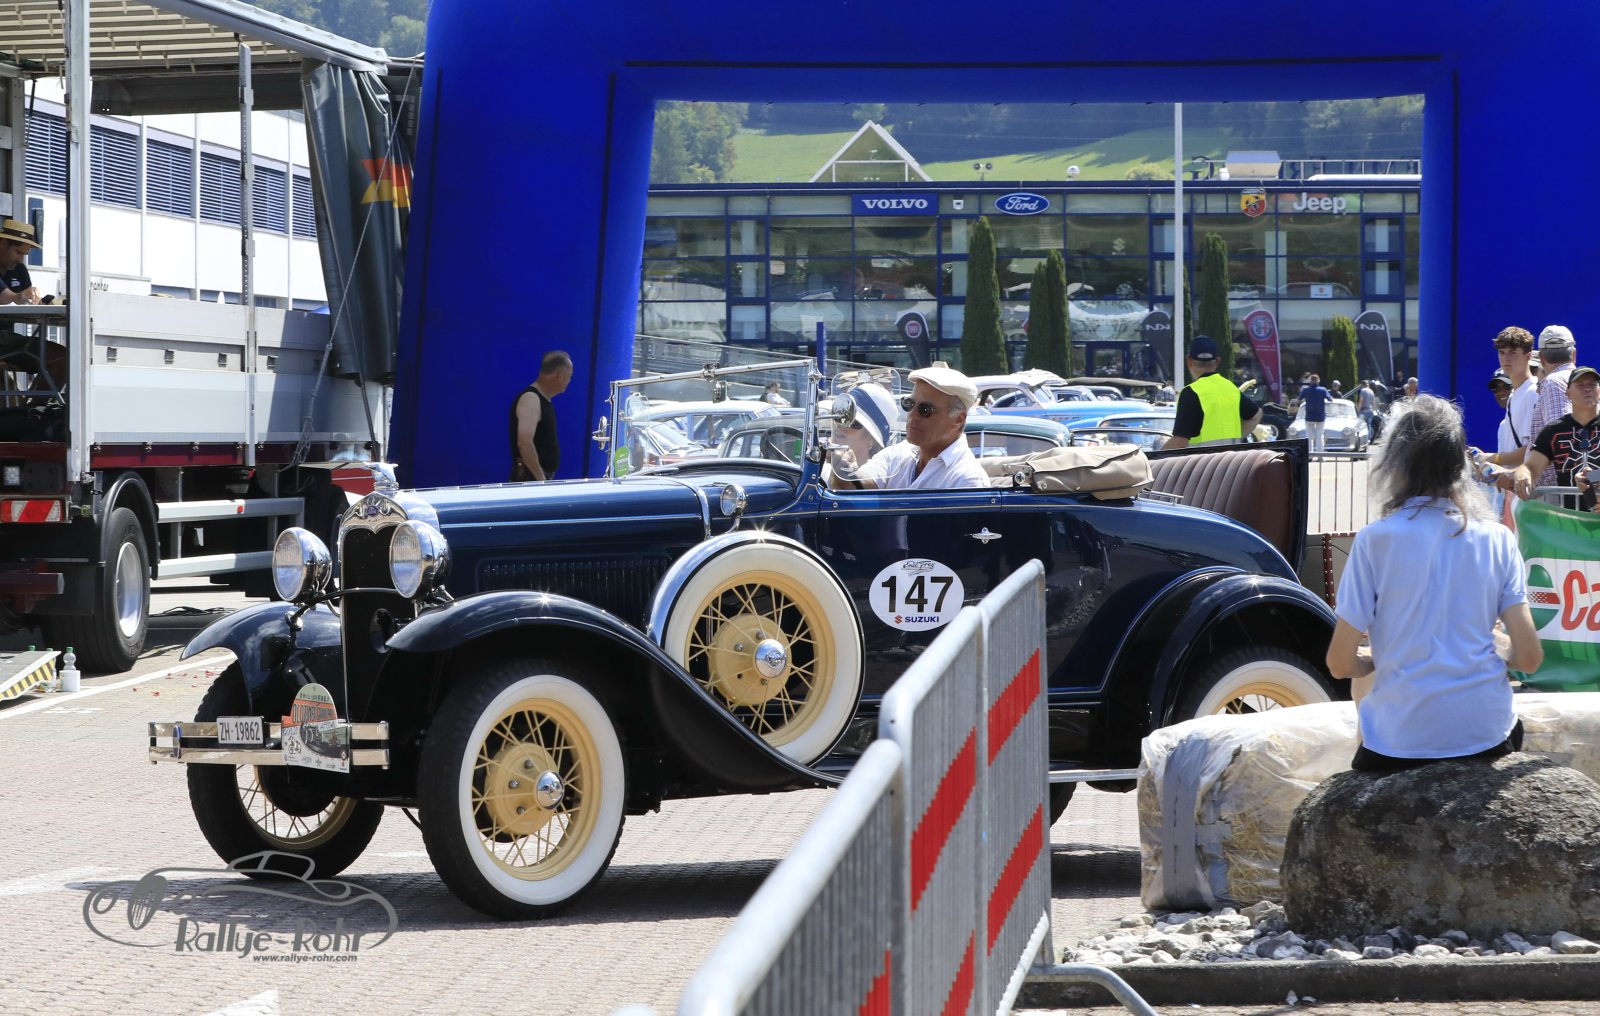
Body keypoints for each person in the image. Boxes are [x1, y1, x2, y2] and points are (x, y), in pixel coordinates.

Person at [1326, 395, 1542, 772]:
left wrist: (1370, 662)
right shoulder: (1498, 538)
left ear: (1396, 464)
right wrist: (1500, 650)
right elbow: (1530, 658)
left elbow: (1339, 663)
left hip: (1396, 742)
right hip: (1486, 734)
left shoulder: (1375, 539)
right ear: (1459, 464)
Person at [831, 365, 987, 490]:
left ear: (958, 420)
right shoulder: (898, 454)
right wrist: (843, 469)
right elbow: (857, 486)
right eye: (909, 404)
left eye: (925, 409)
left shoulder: (967, 479)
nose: (912, 414)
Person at [1512, 365, 1600, 512]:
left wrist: (1594, 477)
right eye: (1580, 385)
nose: (1587, 389)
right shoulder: (1554, 430)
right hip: (1570, 519)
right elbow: (1532, 466)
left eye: (1592, 384)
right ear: (1567, 393)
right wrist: (1523, 474)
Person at [1471, 327, 1537, 500]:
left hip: (1532, 493)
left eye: (1513, 352)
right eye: (1502, 352)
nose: (1506, 358)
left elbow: (1532, 450)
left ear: (1528, 356)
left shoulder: (1533, 392)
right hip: (1514, 491)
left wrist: (1492, 458)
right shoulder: (1514, 394)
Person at [1161, 336, 1261, 450]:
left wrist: (1153, 458)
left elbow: (1180, 441)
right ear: (1217, 361)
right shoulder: (1230, 388)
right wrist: (1237, 440)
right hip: (1231, 460)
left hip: (1202, 460)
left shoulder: (1191, 392)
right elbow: (1256, 415)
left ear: (1188, 361)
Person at [1526, 325, 1576, 501]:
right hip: (1570, 490)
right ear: (1574, 354)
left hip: (1556, 495)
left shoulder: (1553, 382)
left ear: (1541, 358)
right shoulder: (1589, 383)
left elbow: (1559, 439)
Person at [508, 351, 574, 481]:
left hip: (537, 479)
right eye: (569, 376)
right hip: (530, 481)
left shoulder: (543, 400)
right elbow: (525, 443)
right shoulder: (531, 399)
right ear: (560, 376)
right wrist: (541, 480)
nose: (569, 381)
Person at [822, 382, 899, 486]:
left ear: (872, 441)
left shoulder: (881, 479)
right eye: (839, 415)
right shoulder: (820, 470)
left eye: (853, 421)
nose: (840, 425)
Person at [1298, 374, 1331, 452]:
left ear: (1310, 381)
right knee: (1319, 436)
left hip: (1309, 416)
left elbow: (1299, 399)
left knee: (1309, 436)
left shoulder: (1306, 390)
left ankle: (1309, 454)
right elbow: (1330, 399)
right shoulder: (1323, 390)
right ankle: (1320, 454)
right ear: (1318, 380)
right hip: (1320, 417)